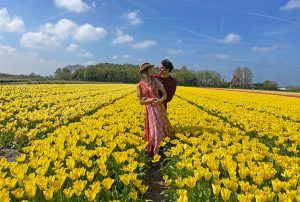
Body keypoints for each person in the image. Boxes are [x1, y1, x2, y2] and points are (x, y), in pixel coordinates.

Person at [137, 62, 175, 155]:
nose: (152, 71)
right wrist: (150, 100)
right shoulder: (139, 85)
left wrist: (160, 100)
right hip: (149, 109)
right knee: (153, 128)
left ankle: (160, 148)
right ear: (144, 72)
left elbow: (165, 94)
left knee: (160, 128)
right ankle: (154, 148)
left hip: (159, 107)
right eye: (149, 69)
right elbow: (140, 101)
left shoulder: (155, 80)